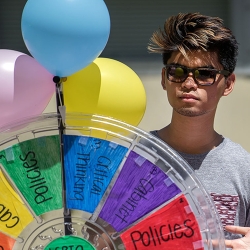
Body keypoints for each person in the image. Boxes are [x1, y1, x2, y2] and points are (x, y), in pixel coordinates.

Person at [147, 12, 250, 250]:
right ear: (165, 78)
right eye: (178, 71)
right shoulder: (131, 158)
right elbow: (102, 237)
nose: (189, 83)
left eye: (205, 74)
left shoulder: (243, 169)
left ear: (229, 84)